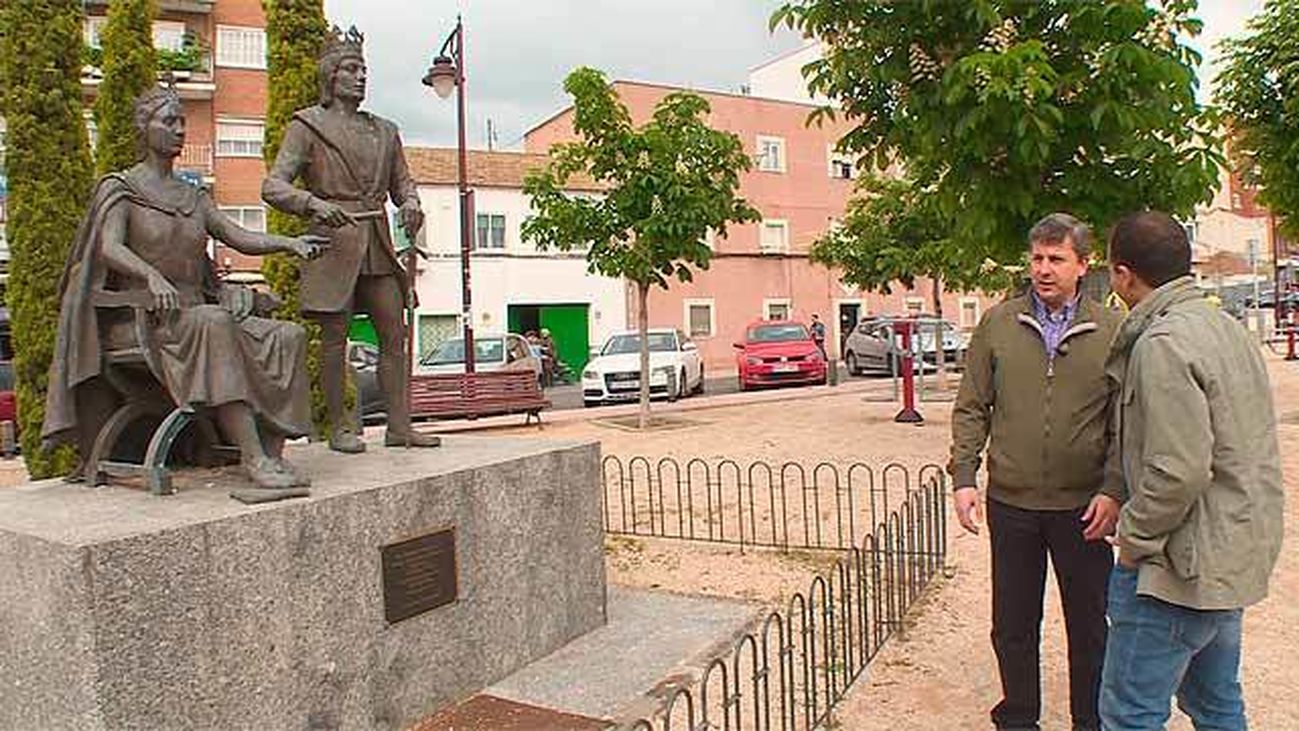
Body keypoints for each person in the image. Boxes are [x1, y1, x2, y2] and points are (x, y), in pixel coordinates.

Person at [43, 87, 324, 491]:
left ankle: (273, 454)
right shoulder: (122, 188)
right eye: (168, 121)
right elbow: (110, 246)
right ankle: (252, 457)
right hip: (147, 320)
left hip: (197, 315)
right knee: (215, 322)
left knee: (287, 336)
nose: (179, 130)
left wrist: (289, 243)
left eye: (181, 122)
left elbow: (238, 235)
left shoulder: (193, 196)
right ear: (144, 128)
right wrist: (150, 276)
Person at [1100, 212, 1283, 730]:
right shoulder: (1226, 328)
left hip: (1177, 571)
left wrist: (1133, 538)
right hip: (1228, 557)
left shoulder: (1163, 344)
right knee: (1216, 705)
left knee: (1129, 714)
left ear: (1123, 274)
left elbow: (1178, 472)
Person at [949, 212, 1123, 731]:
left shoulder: (1112, 330)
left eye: (1056, 259)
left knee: (1090, 626)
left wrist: (1114, 488)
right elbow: (972, 404)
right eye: (1037, 258)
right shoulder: (998, 324)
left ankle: (1089, 721)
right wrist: (963, 476)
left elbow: (1126, 421)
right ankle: (1018, 718)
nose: (1044, 269)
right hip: (1013, 504)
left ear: (1082, 265)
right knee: (1013, 625)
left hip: (1084, 507)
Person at [263, 25, 438, 453]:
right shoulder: (308, 125)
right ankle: (339, 427)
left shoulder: (385, 130)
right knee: (335, 338)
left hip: (376, 238)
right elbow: (274, 186)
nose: (361, 77)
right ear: (331, 77)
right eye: (351, 69)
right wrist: (312, 205)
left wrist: (411, 204)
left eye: (364, 69)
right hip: (334, 240)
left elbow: (404, 185)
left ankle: (399, 425)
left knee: (393, 333)